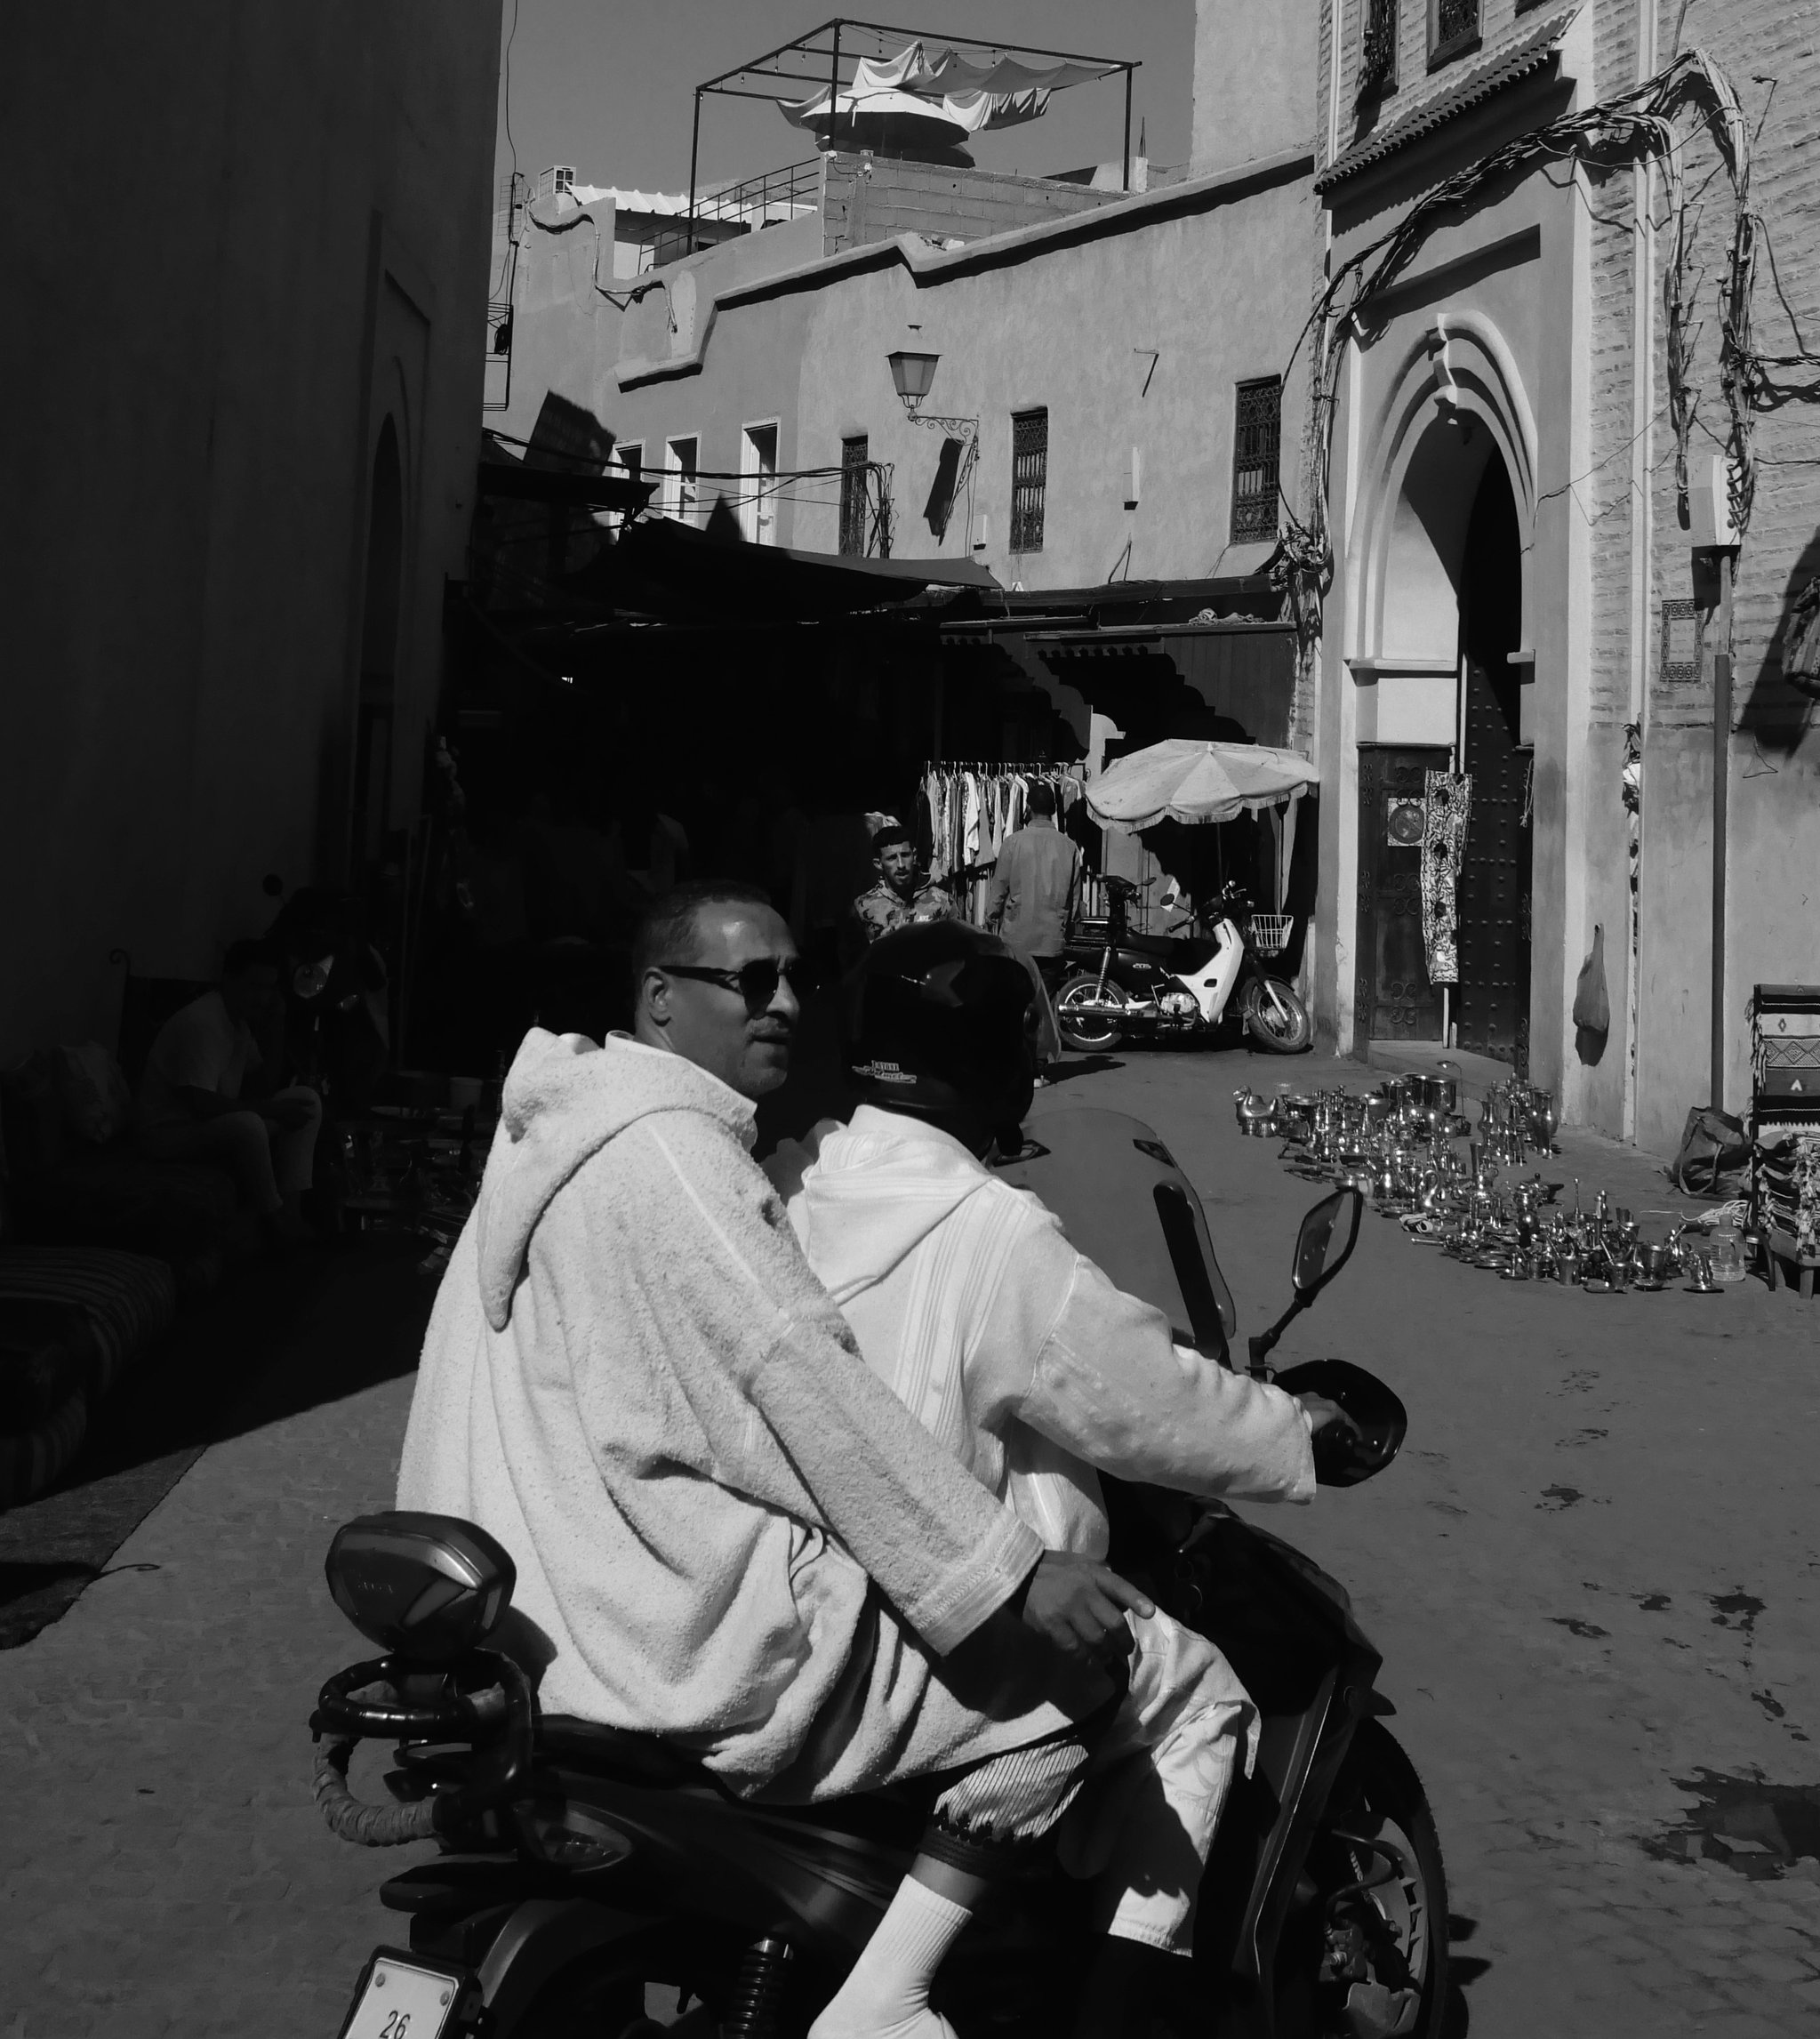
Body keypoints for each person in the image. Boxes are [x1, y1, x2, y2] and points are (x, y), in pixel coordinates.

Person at [397, 881, 1151, 2039]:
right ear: (658, 1000)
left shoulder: (547, 1139)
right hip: (668, 1643)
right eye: (750, 981)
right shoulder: (673, 1161)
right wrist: (1010, 1573)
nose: (785, 1003)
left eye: (799, 977)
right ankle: (885, 2001)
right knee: (1066, 1692)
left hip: (543, 1621)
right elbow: (810, 1389)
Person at [783, 919, 1347, 2036]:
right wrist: (1291, 1433)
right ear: (998, 1064)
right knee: (1198, 1700)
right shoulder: (991, 1233)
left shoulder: (796, 1183)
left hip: (799, 1605)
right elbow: (1146, 1401)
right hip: (945, 1618)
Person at [136, 939, 322, 1247]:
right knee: (246, 1124)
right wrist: (271, 1111)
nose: (262, 998)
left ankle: (293, 1210)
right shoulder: (203, 1022)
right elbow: (200, 1104)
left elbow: (264, 1086)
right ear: (229, 980)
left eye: (269, 988)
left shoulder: (239, 1024)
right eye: (254, 986)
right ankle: (274, 1217)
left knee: (305, 1100)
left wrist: (276, 1026)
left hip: (206, 1125)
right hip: (168, 1134)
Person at [983, 781, 1080, 980]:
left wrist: (990, 917)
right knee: (1046, 1000)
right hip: (1052, 941)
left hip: (1017, 940)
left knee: (1016, 1001)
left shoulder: (1013, 843)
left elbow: (999, 887)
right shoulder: (1069, 847)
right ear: (1054, 810)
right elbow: (1075, 898)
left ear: (1028, 808)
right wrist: (1068, 927)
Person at [846, 814, 956, 964]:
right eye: (891, 858)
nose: (901, 865)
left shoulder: (943, 902)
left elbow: (959, 953)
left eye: (905, 855)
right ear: (878, 863)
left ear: (915, 855)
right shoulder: (863, 907)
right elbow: (852, 965)